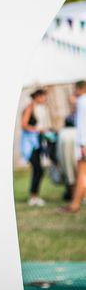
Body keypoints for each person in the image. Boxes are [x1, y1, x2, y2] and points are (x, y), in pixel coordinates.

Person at [20, 88, 50, 206]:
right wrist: (38, 129)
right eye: (43, 96)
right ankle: (33, 197)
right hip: (30, 144)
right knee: (38, 170)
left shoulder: (40, 108)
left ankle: (34, 196)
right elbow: (24, 125)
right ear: (37, 96)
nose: (45, 98)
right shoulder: (30, 108)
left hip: (36, 143)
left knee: (39, 170)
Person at [62, 80, 86, 213]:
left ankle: (75, 204)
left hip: (84, 144)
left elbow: (82, 124)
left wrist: (82, 144)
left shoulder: (82, 101)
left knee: (81, 174)